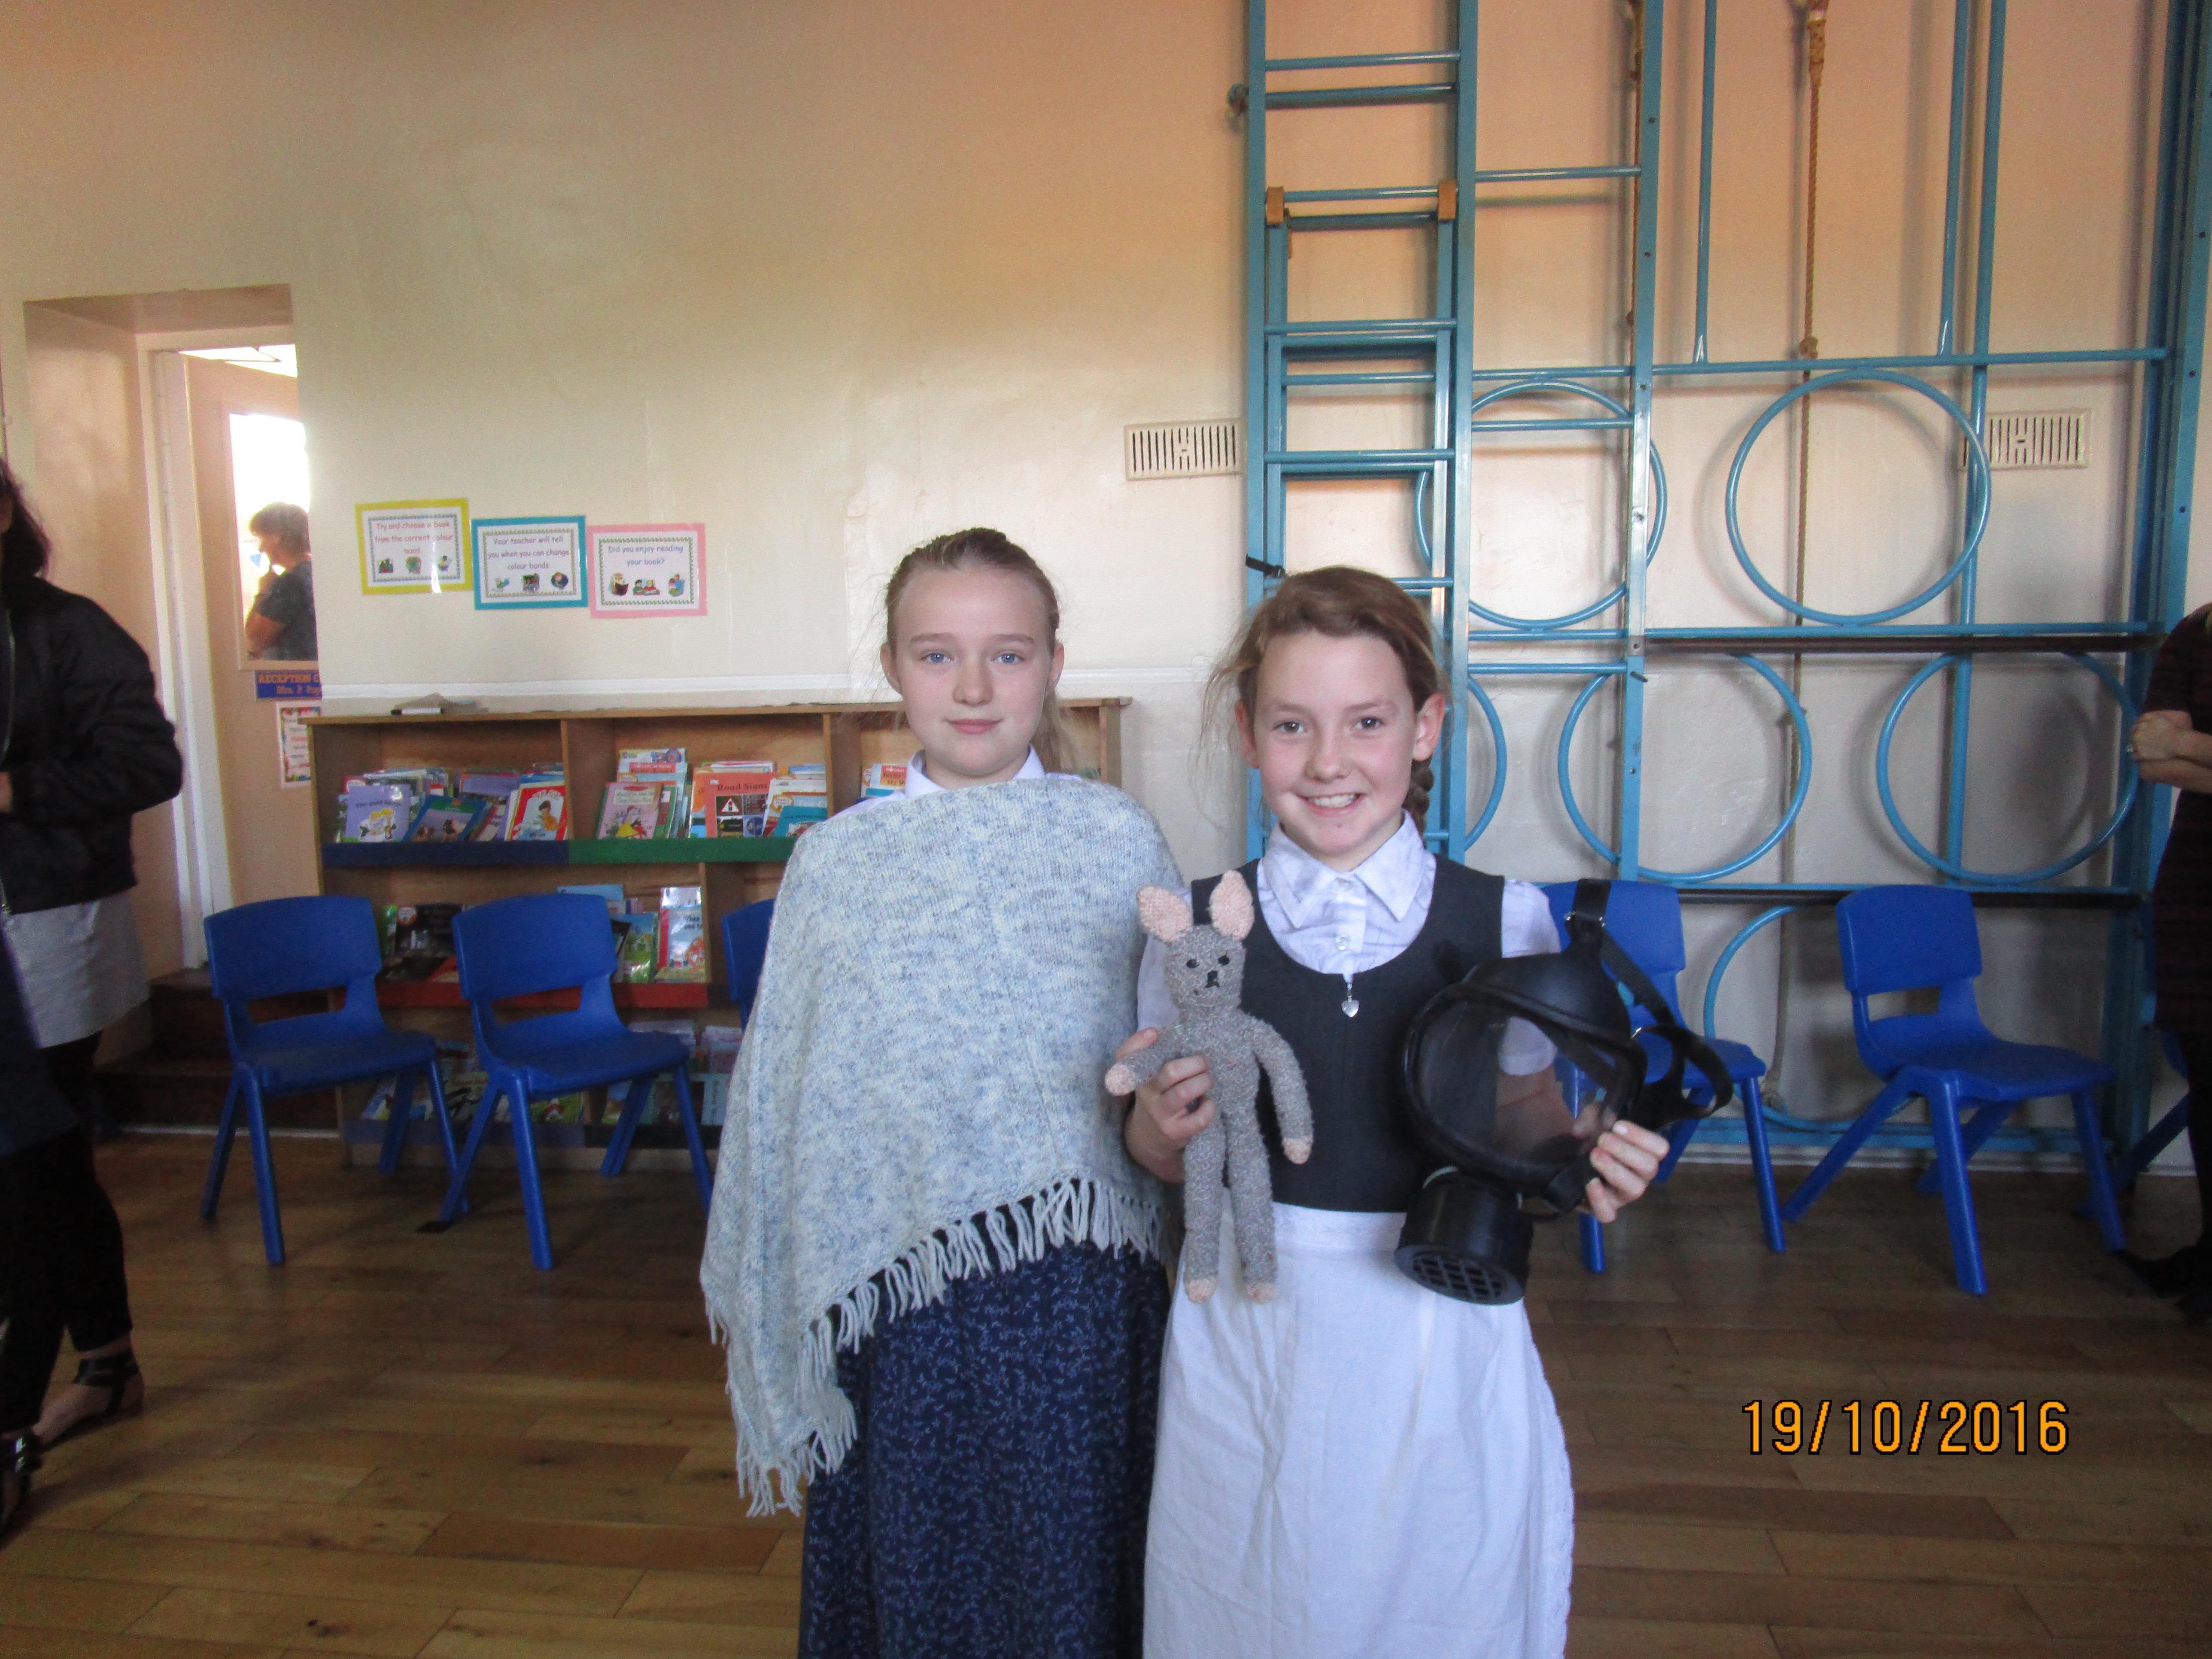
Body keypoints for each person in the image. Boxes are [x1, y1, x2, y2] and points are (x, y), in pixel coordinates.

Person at [1120, 566, 1669, 1659]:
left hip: (1436, 1324)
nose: (1329, 762)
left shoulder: (1507, 918)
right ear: (1249, 735)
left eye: (1366, 722)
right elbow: (1156, 1154)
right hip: (1251, 1327)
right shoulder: (1189, 928)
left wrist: (1584, 1155)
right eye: (1292, 725)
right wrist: (1160, 1127)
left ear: (1424, 728)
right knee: (1250, 1592)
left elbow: (1521, 1113)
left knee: (1435, 1591)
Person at [701, 528, 1183, 1659]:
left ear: (1053, 664)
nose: (973, 689)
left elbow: (1169, 1053)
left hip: (1081, 1296)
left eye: (1007, 655)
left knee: (1078, 1563)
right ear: (892, 667)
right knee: (919, 1563)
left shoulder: (1116, 839)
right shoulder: (836, 865)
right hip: (901, 1294)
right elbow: (788, 1107)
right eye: (936, 655)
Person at [0, 456, 182, 1451]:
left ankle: (20, 1415)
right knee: (53, 1165)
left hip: (48, 926)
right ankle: (108, 1364)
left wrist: (17, 791)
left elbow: (149, 764)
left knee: (35, 1166)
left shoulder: (66, 630)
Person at [2123, 602, 2212, 1325]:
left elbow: (2173, 748)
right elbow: (2152, 758)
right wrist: (2177, 750)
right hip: (2197, 885)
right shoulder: (2198, 631)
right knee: (2207, 1075)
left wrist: (2191, 746)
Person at [244, 501, 315, 660]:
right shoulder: (317, 574)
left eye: (263, 539)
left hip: (291, 674)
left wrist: (263, 593)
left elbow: (254, 643)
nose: (261, 548)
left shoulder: (288, 583)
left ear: (277, 537)